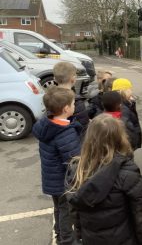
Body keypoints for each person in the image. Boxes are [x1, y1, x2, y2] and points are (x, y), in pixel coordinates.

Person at [66, 114, 142, 245]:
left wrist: (79, 234)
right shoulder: (127, 172)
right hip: (124, 238)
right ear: (120, 138)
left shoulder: (76, 170)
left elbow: (74, 208)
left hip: (91, 238)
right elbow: (141, 210)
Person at [32, 87, 82, 245]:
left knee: (58, 208)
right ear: (66, 108)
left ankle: (59, 233)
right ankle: (66, 240)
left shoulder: (47, 125)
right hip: (63, 183)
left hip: (52, 179)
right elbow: (74, 160)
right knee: (66, 211)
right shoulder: (65, 133)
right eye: (73, 103)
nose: (75, 106)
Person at [53, 62, 89, 134]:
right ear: (73, 79)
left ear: (54, 79)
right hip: (73, 141)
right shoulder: (76, 102)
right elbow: (83, 128)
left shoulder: (50, 98)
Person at [112, 78, 142, 151]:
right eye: (130, 89)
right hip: (127, 145)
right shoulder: (123, 108)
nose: (131, 91)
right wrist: (133, 142)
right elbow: (126, 127)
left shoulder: (123, 103)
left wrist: (131, 103)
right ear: (124, 91)